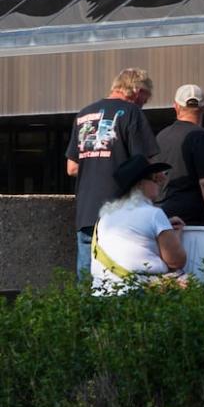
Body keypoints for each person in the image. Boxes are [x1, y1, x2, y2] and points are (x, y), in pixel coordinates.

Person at [67, 67, 158, 282]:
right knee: (120, 280)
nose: (144, 103)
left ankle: (85, 316)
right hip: (121, 211)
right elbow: (142, 161)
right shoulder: (132, 112)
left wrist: (97, 161)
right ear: (136, 90)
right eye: (145, 97)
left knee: (87, 280)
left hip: (86, 212)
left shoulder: (83, 115)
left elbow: (71, 167)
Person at [155, 84, 204, 280]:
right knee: (196, 287)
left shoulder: (161, 137)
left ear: (175, 106)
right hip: (196, 226)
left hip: (164, 221)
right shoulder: (202, 136)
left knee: (167, 286)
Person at [91, 156, 187, 294]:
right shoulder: (154, 214)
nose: (159, 182)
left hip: (101, 294)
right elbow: (176, 261)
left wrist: (164, 228)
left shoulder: (105, 218)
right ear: (141, 184)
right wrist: (176, 235)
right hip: (137, 296)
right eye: (154, 178)